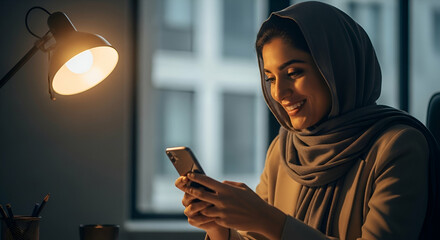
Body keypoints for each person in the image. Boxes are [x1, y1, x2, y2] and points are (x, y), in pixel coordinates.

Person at [175, 1, 440, 239]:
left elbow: (269, 227)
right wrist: (218, 227)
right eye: (270, 78)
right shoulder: (284, 150)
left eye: (293, 72)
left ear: (336, 68)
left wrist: (268, 220)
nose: (278, 93)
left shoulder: (398, 147)